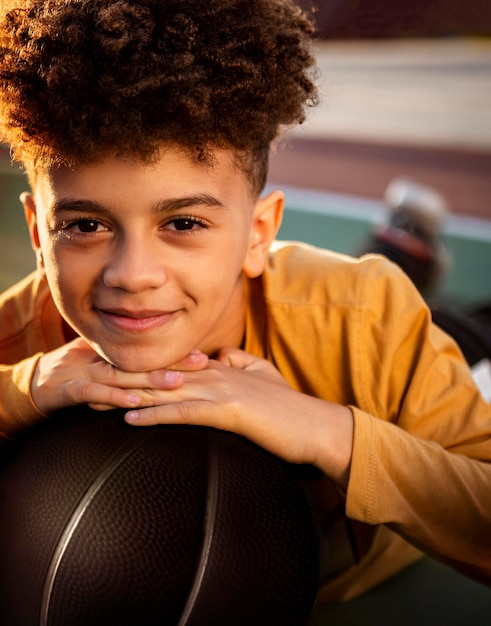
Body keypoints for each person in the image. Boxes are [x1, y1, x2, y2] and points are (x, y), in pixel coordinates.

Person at [0, 0, 489, 610]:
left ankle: (405, 248)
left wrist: (324, 429)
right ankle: (401, 241)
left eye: (182, 221)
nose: (132, 275)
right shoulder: (24, 332)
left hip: (415, 336)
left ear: (259, 234)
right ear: (39, 233)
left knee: (465, 334)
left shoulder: (361, 316)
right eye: (84, 225)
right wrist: (23, 388)